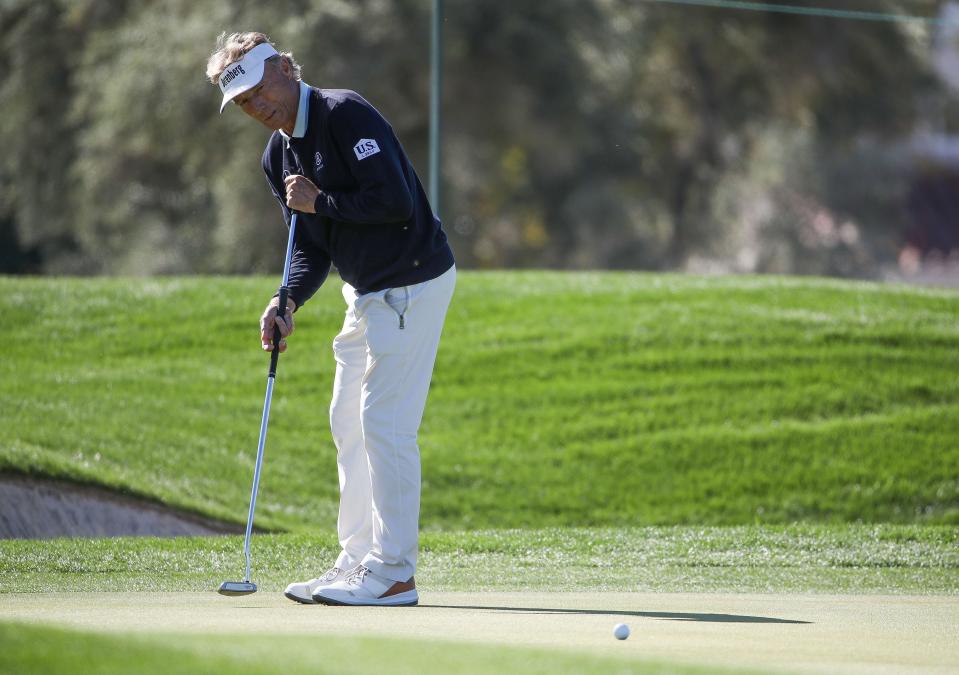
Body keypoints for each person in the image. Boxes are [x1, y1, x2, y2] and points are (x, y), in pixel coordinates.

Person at [206, 32, 455, 607]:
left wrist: (320, 202)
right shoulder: (278, 155)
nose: (256, 105)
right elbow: (310, 245)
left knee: (384, 425)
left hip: (411, 281)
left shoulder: (345, 113)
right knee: (347, 422)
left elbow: (394, 201)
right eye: (242, 101)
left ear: (286, 68)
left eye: (257, 88)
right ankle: (356, 562)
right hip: (365, 292)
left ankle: (394, 573)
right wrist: (286, 298)